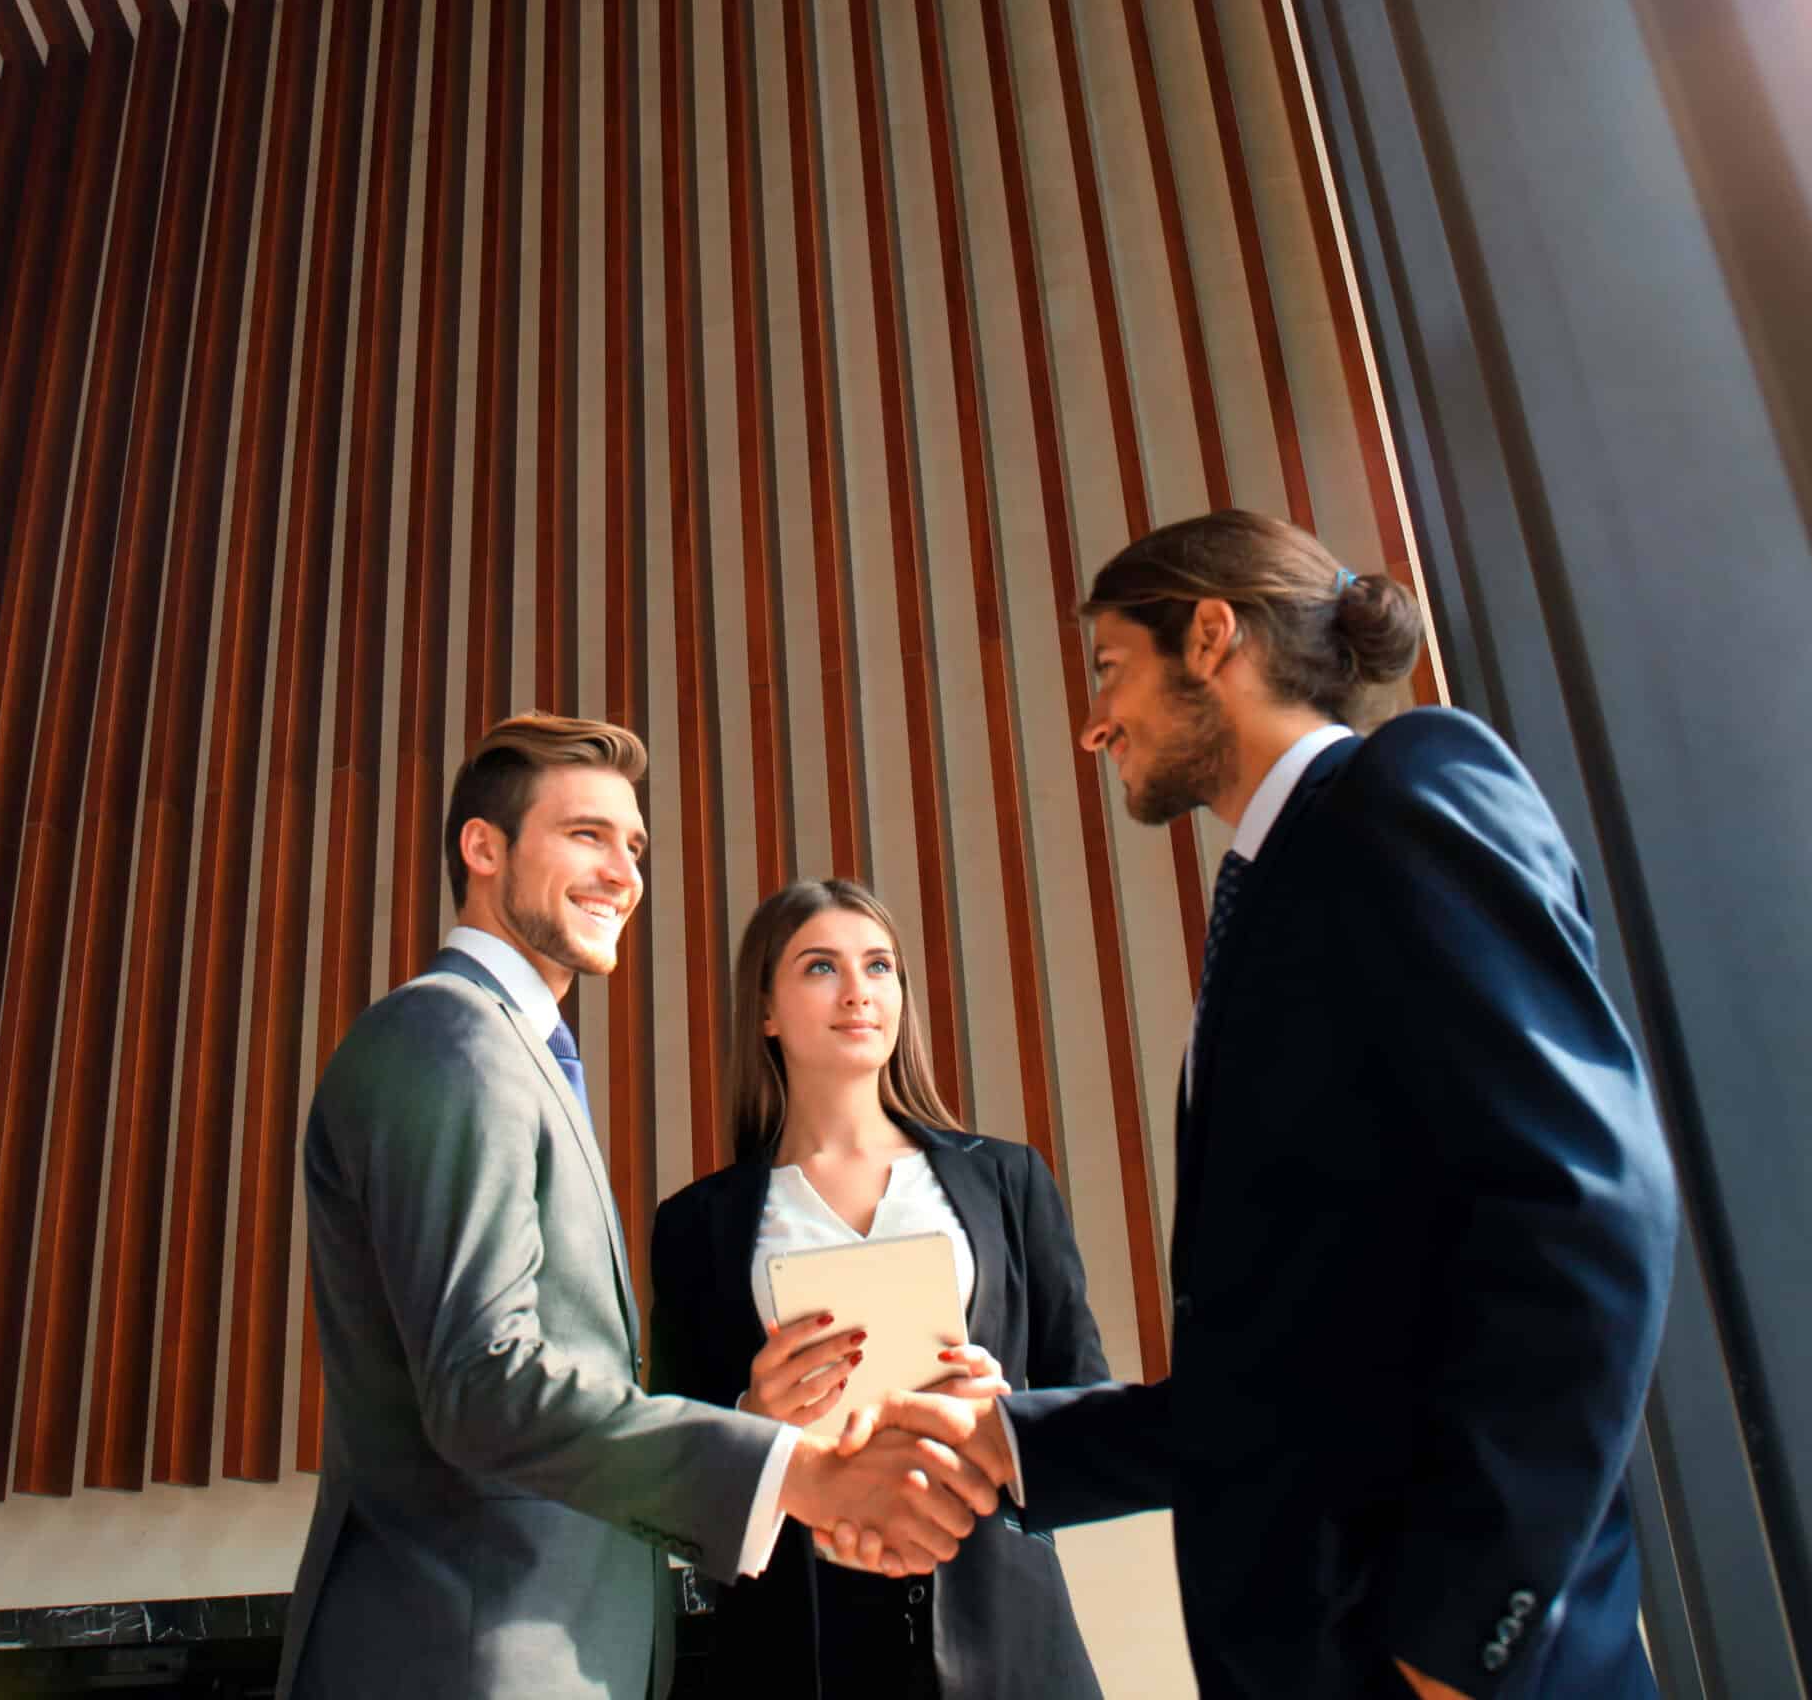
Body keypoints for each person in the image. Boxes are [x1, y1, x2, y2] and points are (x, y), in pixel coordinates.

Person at [832, 512, 1681, 1698]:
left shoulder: (1410, 788)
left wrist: (1466, 1629)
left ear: (1211, 637)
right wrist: (1012, 1439)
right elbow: (1297, 1371)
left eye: (1110, 668)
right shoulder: (1274, 898)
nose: (1093, 723)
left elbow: (1591, 1208)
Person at [278, 714, 1006, 1700]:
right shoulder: (449, 1039)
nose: (622, 870)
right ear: (482, 847)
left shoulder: (515, 1055)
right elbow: (484, 1384)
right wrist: (788, 1466)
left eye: (634, 846)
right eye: (586, 834)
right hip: (466, 1654)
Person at [648, 878, 1109, 1698]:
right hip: (793, 1643)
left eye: (880, 967)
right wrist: (753, 1421)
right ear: (766, 1011)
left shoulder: (1007, 1179)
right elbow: (672, 1480)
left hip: (1001, 1632)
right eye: (821, 967)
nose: (860, 991)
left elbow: (1091, 1410)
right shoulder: (696, 1226)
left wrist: (1005, 1423)